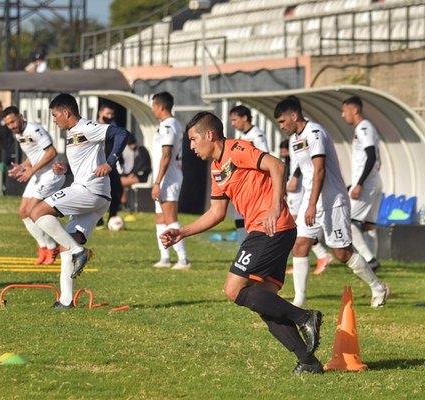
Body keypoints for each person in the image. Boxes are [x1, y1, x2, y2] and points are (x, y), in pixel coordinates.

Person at [161, 111, 324, 374]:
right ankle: (308, 362)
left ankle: (305, 317)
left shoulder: (237, 148)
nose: (191, 147)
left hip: (271, 227)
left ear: (210, 135)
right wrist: (182, 232)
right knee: (262, 301)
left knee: (234, 289)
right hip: (266, 231)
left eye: (193, 139)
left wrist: (274, 207)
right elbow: (216, 213)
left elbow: (277, 166)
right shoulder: (216, 168)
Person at [274, 96, 389, 308]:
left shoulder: (315, 132)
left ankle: (378, 287)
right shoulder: (293, 140)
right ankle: (300, 299)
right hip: (312, 201)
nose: (281, 126)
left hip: (332, 201)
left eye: (282, 121)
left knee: (342, 252)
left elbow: (320, 169)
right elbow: (306, 171)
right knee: (300, 246)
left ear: (294, 115)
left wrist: (310, 204)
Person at [29, 93, 129, 308]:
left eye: (55, 115)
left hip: (90, 192)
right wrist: (66, 171)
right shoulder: (74, 133)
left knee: (37, 212)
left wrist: (110, 163)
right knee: (67, 242)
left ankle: (79, 252)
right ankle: (66, 301)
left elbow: (122, 133)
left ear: (66, 113)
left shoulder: (88, 126)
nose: (54, 120)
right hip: (95, 195)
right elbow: (86, 165)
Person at [2, 106, 65, 265]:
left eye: (13, 121)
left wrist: (31, 171)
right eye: (8, 124)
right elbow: (34, 155)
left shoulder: (35, 130)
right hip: (38, 174)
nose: (12, 126)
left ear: (20, 116)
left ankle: (53, 246)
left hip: (51, 174)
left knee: (33, 211)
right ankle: (43, 246)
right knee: (23, 211)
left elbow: (51, 152)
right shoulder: (19, 134)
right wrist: (22, 167)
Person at [341, 96, 383, 272]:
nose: (343, 115)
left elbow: (371, 156)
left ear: (355, 110)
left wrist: (359, 183)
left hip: (367, 184)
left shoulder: (364, 127)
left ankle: (369, 259)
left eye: (344, 111)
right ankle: (371, 263)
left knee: (347, 220)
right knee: (368, 225)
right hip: (373, 182)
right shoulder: (365, 128)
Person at [281, 139, 334, 276]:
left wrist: (294, 178)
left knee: (295, 229)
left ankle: (321, 255)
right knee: (296, 230)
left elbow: (303, 161)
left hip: (299, 191)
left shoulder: (307, 136)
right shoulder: (294, 138)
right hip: (295, 191)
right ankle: (310, 260)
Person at [151, 92, 190, 270]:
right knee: (160, 218)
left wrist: (157, 182)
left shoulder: (169, 125)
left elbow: (166, 155)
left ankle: (183, 259)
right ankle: (165, 257)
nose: (153, 110)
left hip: (169, 178)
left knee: (169, 218)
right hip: (163, 177)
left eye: (153, 106)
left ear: (161, 107)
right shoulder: (166, 125)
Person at [229, 105, 270, 245]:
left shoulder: (257, 135)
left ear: (245, 117)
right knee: (240, 219)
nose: (232, 124)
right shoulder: (242, 137)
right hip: (243, 186)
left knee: (254, 221)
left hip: (255, 187)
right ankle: (243, 248)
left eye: (234, 120)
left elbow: (267, 160)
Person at [96, 103, 123, 228]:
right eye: (107, 113)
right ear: (100, 113)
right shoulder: (93, 127)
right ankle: (97, 219)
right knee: (98, 192)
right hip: (97, 165)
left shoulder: (113, 126)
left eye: (111, 114)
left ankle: (112, 217)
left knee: (117, 190)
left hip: (110, 165)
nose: (110, 116)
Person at [120, 134, 152, 209]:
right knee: (121, 181)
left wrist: (134, 173)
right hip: (138, 175)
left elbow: (143, 164)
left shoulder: (141, 150)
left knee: (120, 183)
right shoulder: (137, 151)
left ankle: (124, 205)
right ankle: (124, 204)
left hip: (142, 176)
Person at [0, 100, 17, 166]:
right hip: (1, 145)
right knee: (0, 162)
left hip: (10, 144)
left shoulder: (6, 117)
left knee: (9, 163)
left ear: (1, 107)